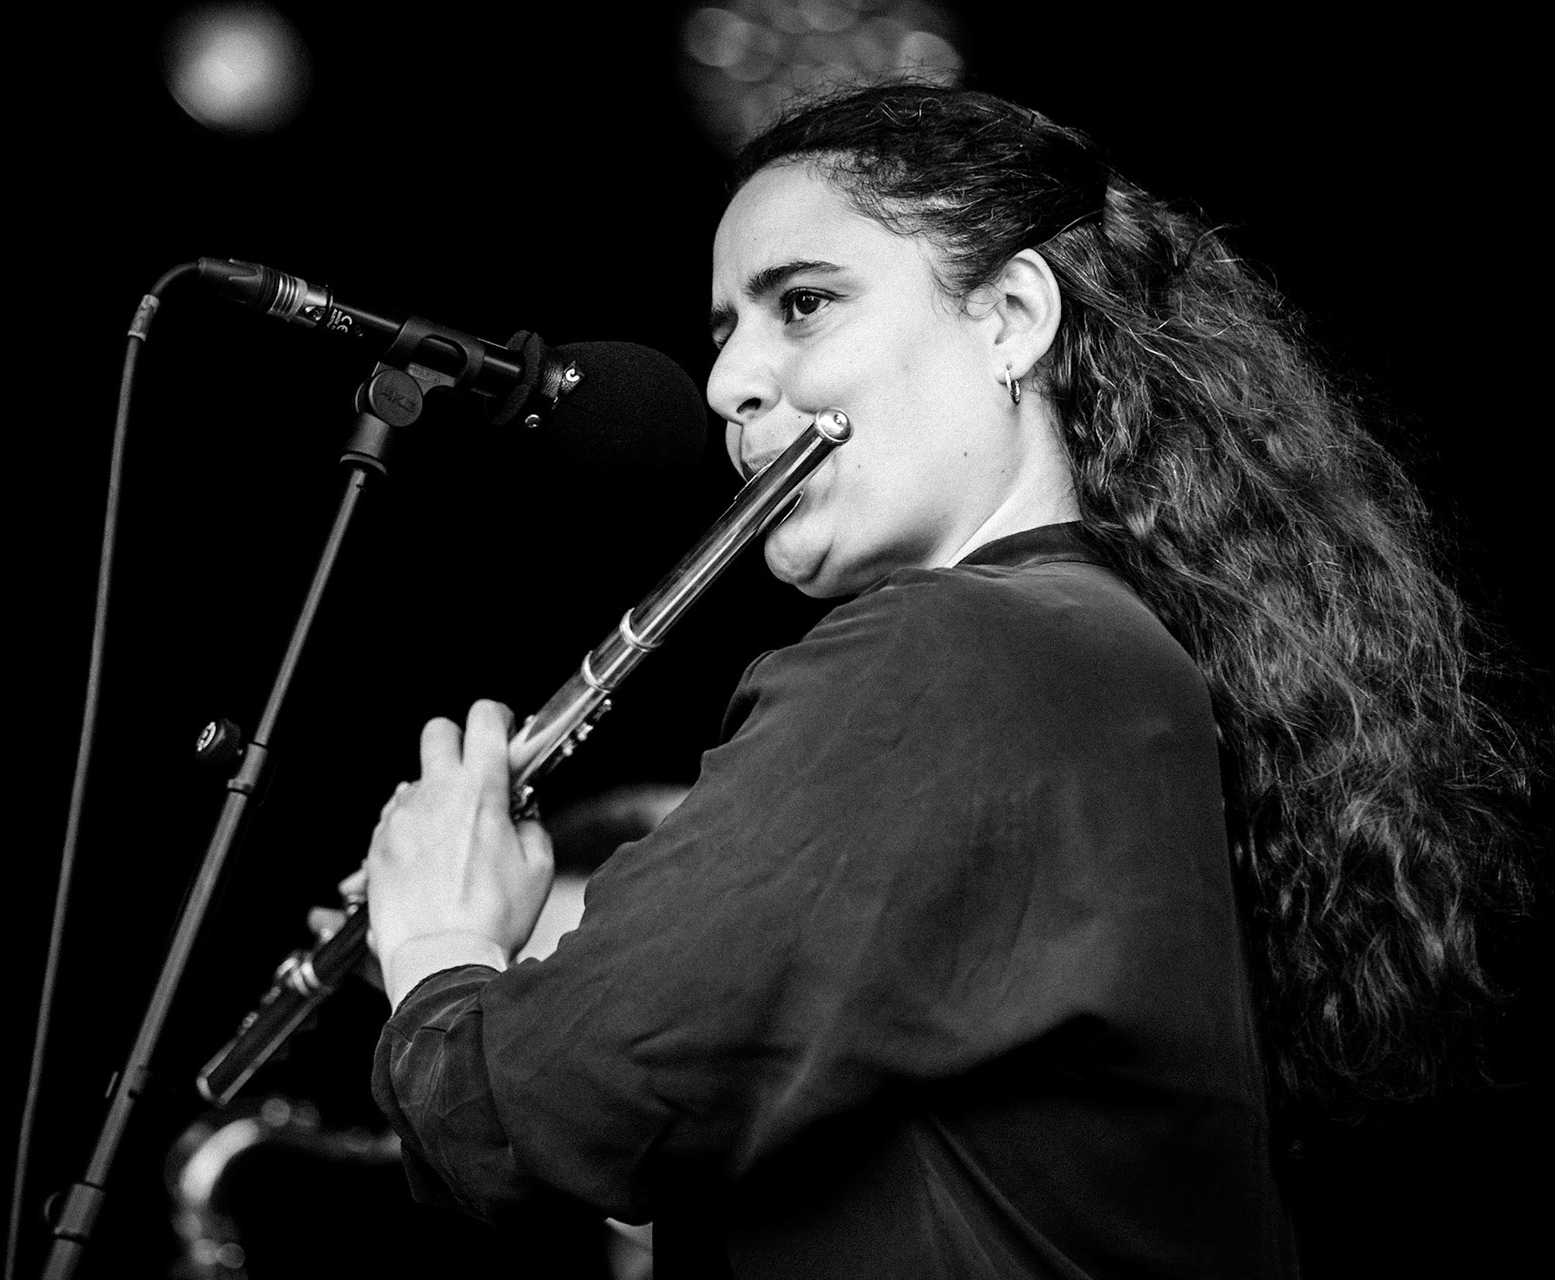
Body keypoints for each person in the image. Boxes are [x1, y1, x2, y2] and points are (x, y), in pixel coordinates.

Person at [342, 83, 1540, 1277]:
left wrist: (442, 946)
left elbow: (539, 1124)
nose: (727, 387)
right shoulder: (1103, 655)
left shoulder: (957, 652)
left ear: (1012, 314)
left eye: (804, 304)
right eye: (724, 333)